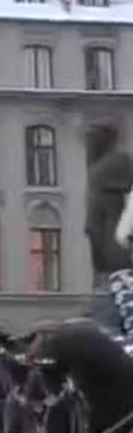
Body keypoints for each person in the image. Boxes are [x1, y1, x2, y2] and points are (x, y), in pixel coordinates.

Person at [83, 124, 133, 350]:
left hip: (113, 262)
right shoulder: (129, 166)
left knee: (110, 333)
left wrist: (98, 261)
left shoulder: (98, 172)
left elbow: (93, 223)